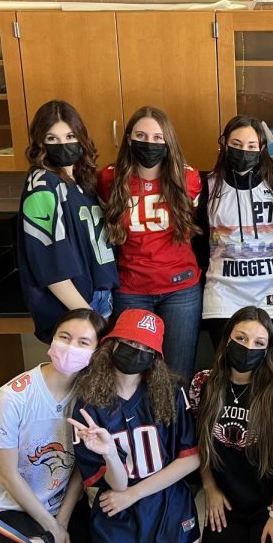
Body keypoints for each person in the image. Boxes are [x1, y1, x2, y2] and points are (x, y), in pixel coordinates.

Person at [68, 308, 201, 543]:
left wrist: (134, 493)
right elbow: (117, 485)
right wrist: (109, 454)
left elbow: (191, 457)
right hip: (117, 504)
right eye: (129, 342)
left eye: (146, 348)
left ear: (155, 356)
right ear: (112, 344)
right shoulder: (88, 405)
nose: (137, 351)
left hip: (167, 498)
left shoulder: (171, 393)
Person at [0, 308, 109, 543]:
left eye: (83, 342)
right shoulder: (12, 397)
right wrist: (51, 527)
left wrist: (61, 521)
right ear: (52, 339)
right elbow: (8, 476)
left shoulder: (90, 398)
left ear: (96, 353)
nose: (70, 346)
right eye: (64, 337)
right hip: (13, 504)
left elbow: (78, 468)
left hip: (64, 504)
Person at [189, 306, 273, 543]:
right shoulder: (202, 384)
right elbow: (201, 443)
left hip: (269, 499)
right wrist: (210, 488)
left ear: (266, 350)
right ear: (227, 337)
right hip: (227, 498)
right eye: (241, 338)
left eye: (258, 342)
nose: (248, 347)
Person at [100, 106, 203, 380]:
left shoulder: (188, 178)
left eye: (158, 137)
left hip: (180, 289)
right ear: (129, 138)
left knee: (176, 375)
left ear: (169, 141)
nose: (150, 143)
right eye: (141, 135)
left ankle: (173, 424)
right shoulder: (109, 178)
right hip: (130, 287)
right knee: (131, 375)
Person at [196, 115, 273, 369]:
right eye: (237, 144)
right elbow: (198, 242)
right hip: (223, 293)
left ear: (261, 149)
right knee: (228, 371)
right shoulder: (207, 185)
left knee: (269, 373)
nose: (244, 151)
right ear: (225, 144)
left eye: (251, 146)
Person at [18, 99, 118, 343]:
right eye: (52, 139)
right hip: (75, 307)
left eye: (70, 136)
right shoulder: (43, 185)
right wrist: (87, 317)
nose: (63, 145)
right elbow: (51, 265)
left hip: (100, 298)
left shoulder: (83, 182)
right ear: (40, 142)